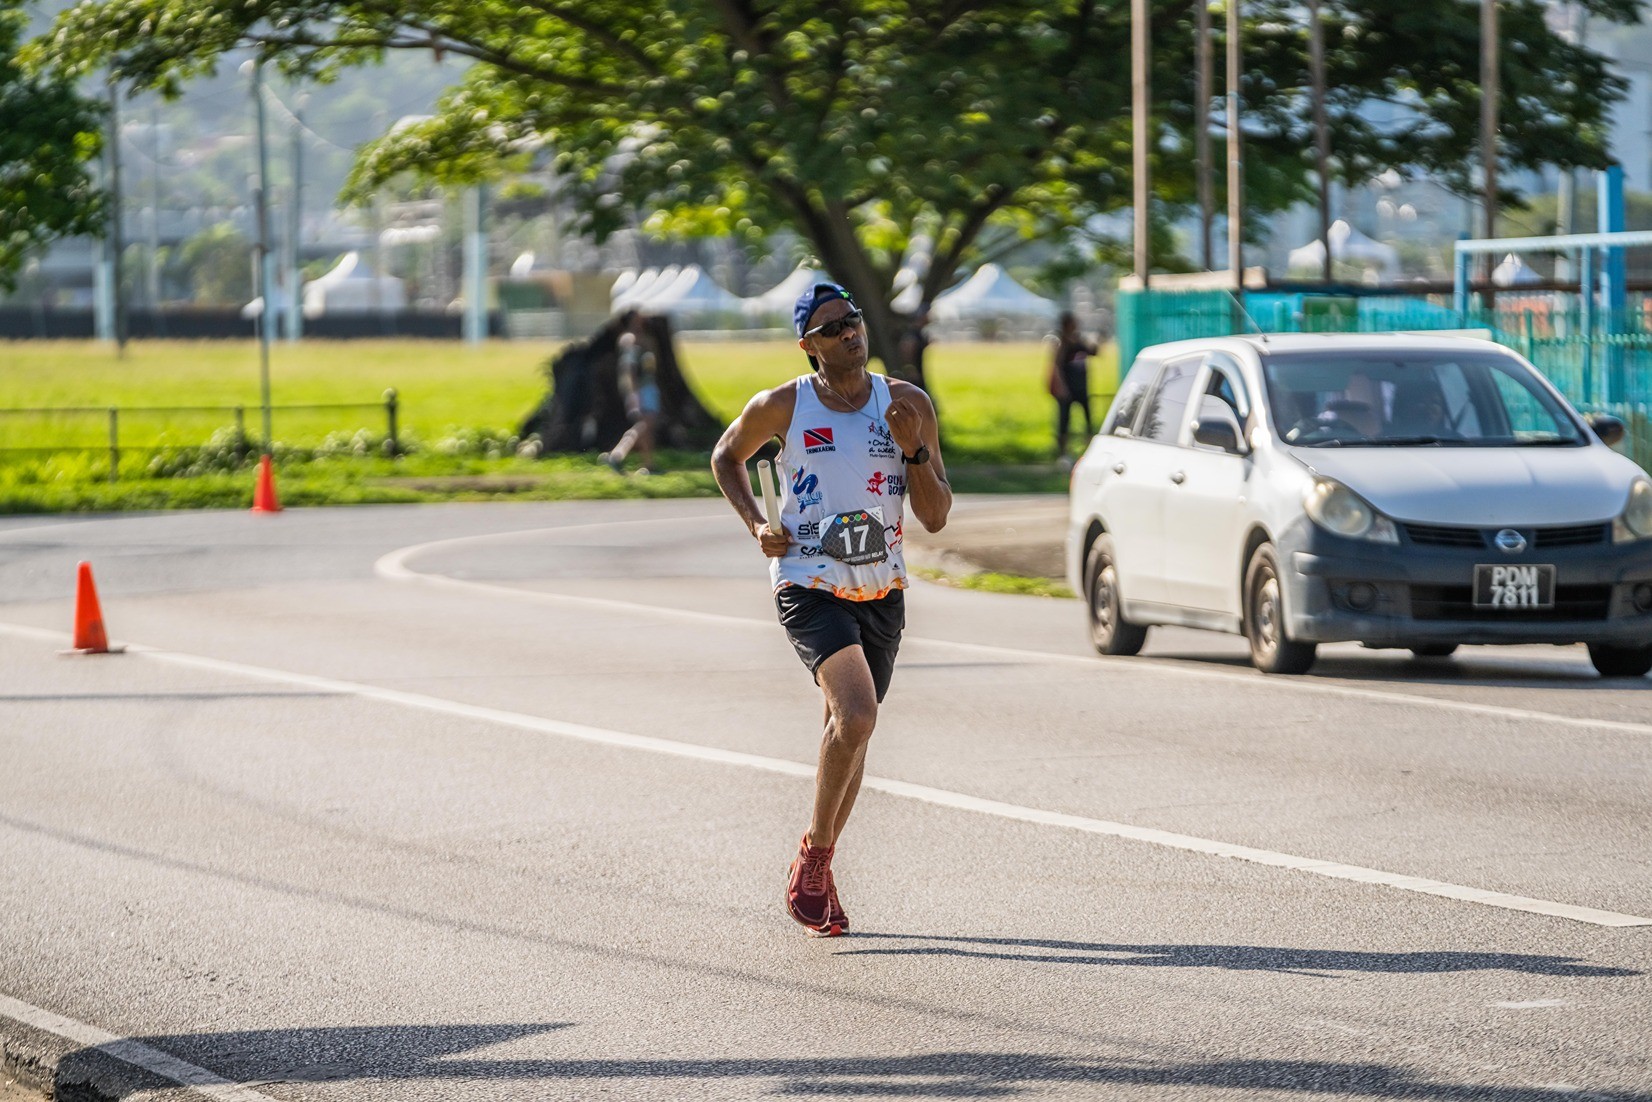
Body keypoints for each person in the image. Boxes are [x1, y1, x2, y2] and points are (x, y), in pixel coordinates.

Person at [710, 281, 952, 937]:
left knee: (850, 732)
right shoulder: (784, 405)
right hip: (808, 581)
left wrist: (914, 450)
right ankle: (814, 859)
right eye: (833, 327)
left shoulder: (906, 403)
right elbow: (726, 457)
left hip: (881, 586)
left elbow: (934, 516)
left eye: (854, 319)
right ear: (808, 346)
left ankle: (818, 868)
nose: (850, 332)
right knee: (858, 713)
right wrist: (757, 523)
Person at [601, 310, 660, 474]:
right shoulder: (630, 340)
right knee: (644, 424)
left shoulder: (646, 339)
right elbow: (629, 369)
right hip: (640, 389)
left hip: (648, 386)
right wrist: (634, 394)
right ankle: (617, 454)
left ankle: (648, 464)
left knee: (646, 427)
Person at [1049, 312, 1098, 457]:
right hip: (1067, 389)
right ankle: (1062, 453)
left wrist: (1096, 339)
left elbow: (1093, 352)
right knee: (1064, 422)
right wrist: (1061, 387)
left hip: (1082, 388)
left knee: (1088, 421)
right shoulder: (1062, 343)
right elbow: (1056, 366)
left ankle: (1089, 450)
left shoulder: (1079, 342)